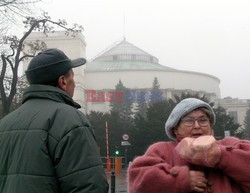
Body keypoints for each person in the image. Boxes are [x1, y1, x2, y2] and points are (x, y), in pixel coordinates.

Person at [0, 48, 109, 193]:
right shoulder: (70, 121)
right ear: (63, 81)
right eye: (72, 77)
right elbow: (89, 186)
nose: (75, 83)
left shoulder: (5, 124)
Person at [128, 98, 250, 193]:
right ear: (175, 129)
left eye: (203, 120)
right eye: (189, 121)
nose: (197, 126)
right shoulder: (163, 150)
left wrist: (220, 155)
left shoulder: (230, 144)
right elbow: (138, 180)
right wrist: (181, 180)